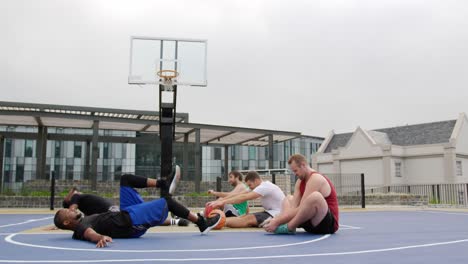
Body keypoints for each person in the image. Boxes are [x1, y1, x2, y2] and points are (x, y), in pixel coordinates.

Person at [54, 165, 221, 247]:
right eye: (66, 212)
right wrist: (99, 238)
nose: (70, 210)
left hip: (125, 212)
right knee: (166, 202)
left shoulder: (82, 221)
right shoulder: (81, 227)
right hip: (130, 222)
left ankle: (163, 183)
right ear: (67, 223)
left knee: (125, 179)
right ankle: (201, 223)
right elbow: (90, 234)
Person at [263, 154, 339, 234]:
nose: (295, 174)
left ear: (303, 165)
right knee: (288, 198)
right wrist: (276, 218)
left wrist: (277, 221)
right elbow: (294, 207)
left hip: (326, 225)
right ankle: (286, 225)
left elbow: (302, 207)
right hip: (309, 222)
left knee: (315, 197)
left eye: (295, 170)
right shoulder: (300, 181)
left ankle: (289, 227)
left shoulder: (316, 178)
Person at [62, 186, 189, 226]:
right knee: (141, 218)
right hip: (108, 212)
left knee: (141, 218)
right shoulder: (80, 203)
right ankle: (175, 221)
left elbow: (74, 195)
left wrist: (65, 221)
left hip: (110, 211)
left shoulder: (77, 198)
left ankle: (175, 220)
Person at [206, 171, 285, 228]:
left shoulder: (264, 186)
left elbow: (244, 197)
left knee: (248, 219)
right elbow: (239, 195)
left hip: (278, 214)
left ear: (256, 180)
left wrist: (222, 202)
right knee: (245, 217)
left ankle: (216, 222)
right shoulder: (257, 186)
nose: (249, 187)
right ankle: (214, 221)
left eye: (250, 185)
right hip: (271, 212)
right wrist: (219, 201)